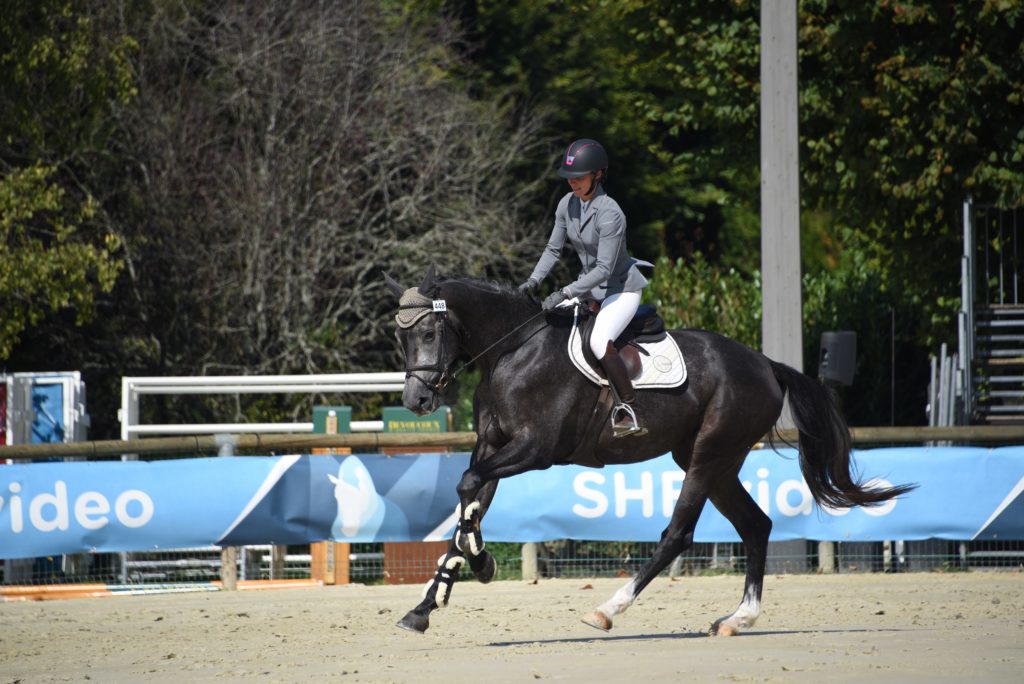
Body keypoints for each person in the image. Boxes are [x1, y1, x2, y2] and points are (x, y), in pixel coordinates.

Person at [518, 138, 650, 438]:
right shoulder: (567, 204)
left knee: (599, 339)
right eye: (570, 178)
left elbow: (604, 268)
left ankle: (628, 408)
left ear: (598, 175)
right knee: (547, 328)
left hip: (620, 289)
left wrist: (566, 292)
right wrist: (533, 281)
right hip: (588, 288)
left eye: (579, 177)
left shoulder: (611, 213)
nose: (573, 183)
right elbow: (553, 250)